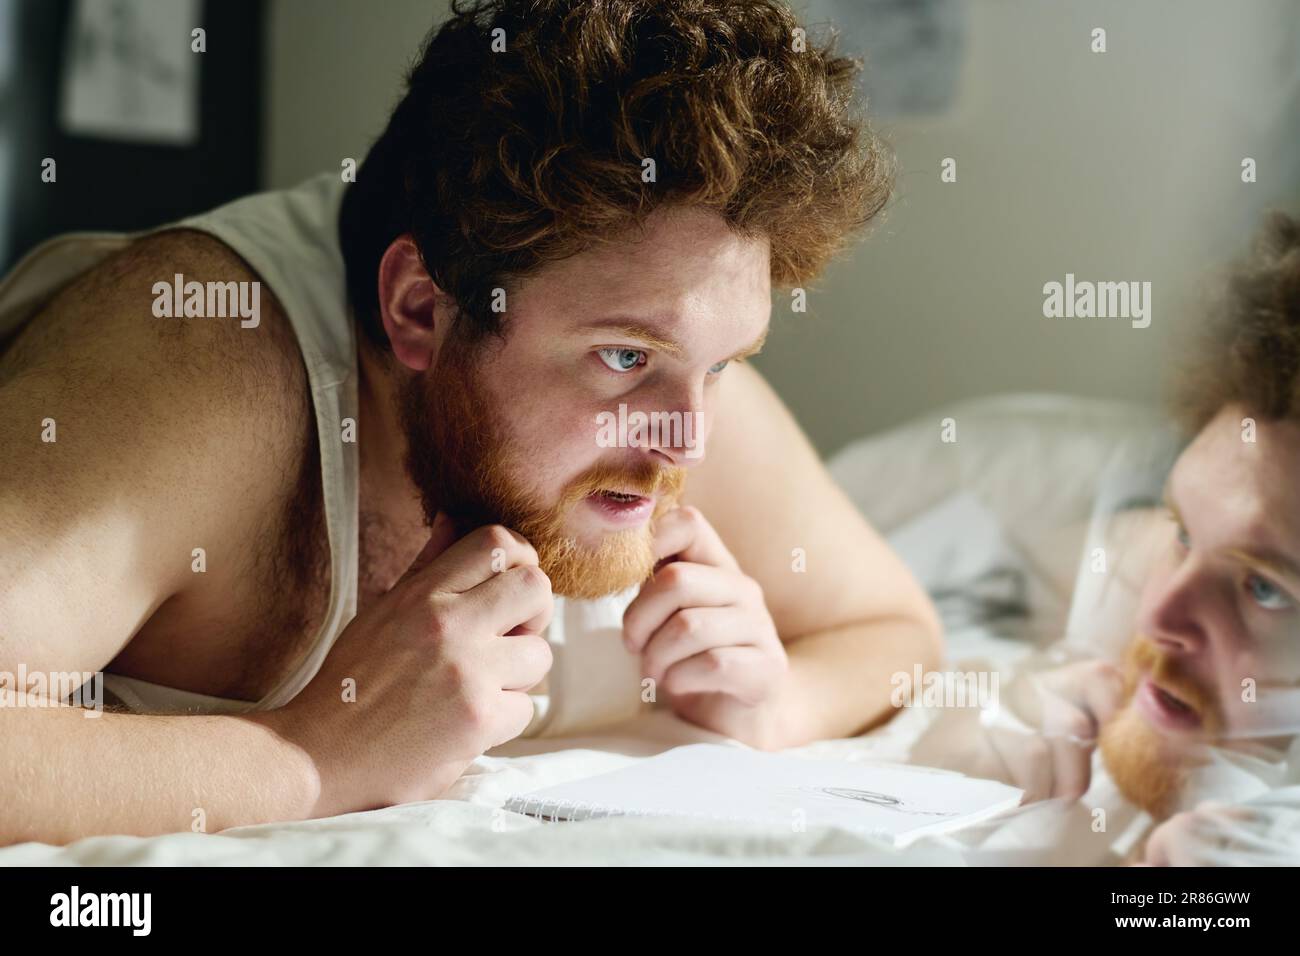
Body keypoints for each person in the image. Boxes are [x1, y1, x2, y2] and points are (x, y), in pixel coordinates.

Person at [0, 0, 940, 844]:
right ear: (420, 307)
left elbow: (894, 627)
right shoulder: (199, 370)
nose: (688, 443)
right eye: (623, 357)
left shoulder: (670, 367)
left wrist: (778, 703)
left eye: (728, 363)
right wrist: (311, 758)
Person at [912, 212, 1300, 865]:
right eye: (1183, 531)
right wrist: (987, 726)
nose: (1159, 617)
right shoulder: (1125, 567)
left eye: (1264, 587)